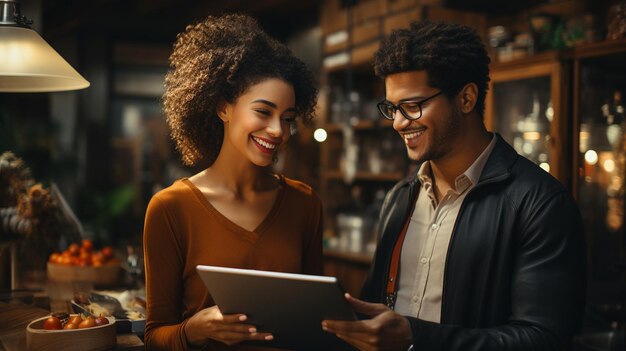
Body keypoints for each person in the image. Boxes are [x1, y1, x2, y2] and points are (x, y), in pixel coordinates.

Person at [322, 20, 586, 350]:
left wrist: (417, 338)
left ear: (466, 98)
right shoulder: (401, 197)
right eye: (392, 108)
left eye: (413, 105)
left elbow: (544, 339)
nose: (400, 122)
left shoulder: (540, 204)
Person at [143, 14, 320, 350]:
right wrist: (192, 330)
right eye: (263, 112)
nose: (278, 131)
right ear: (223, 107)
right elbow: (154, 337)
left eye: (288, 119)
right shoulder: (170, 208)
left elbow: (315, 322)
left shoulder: (305, 203)